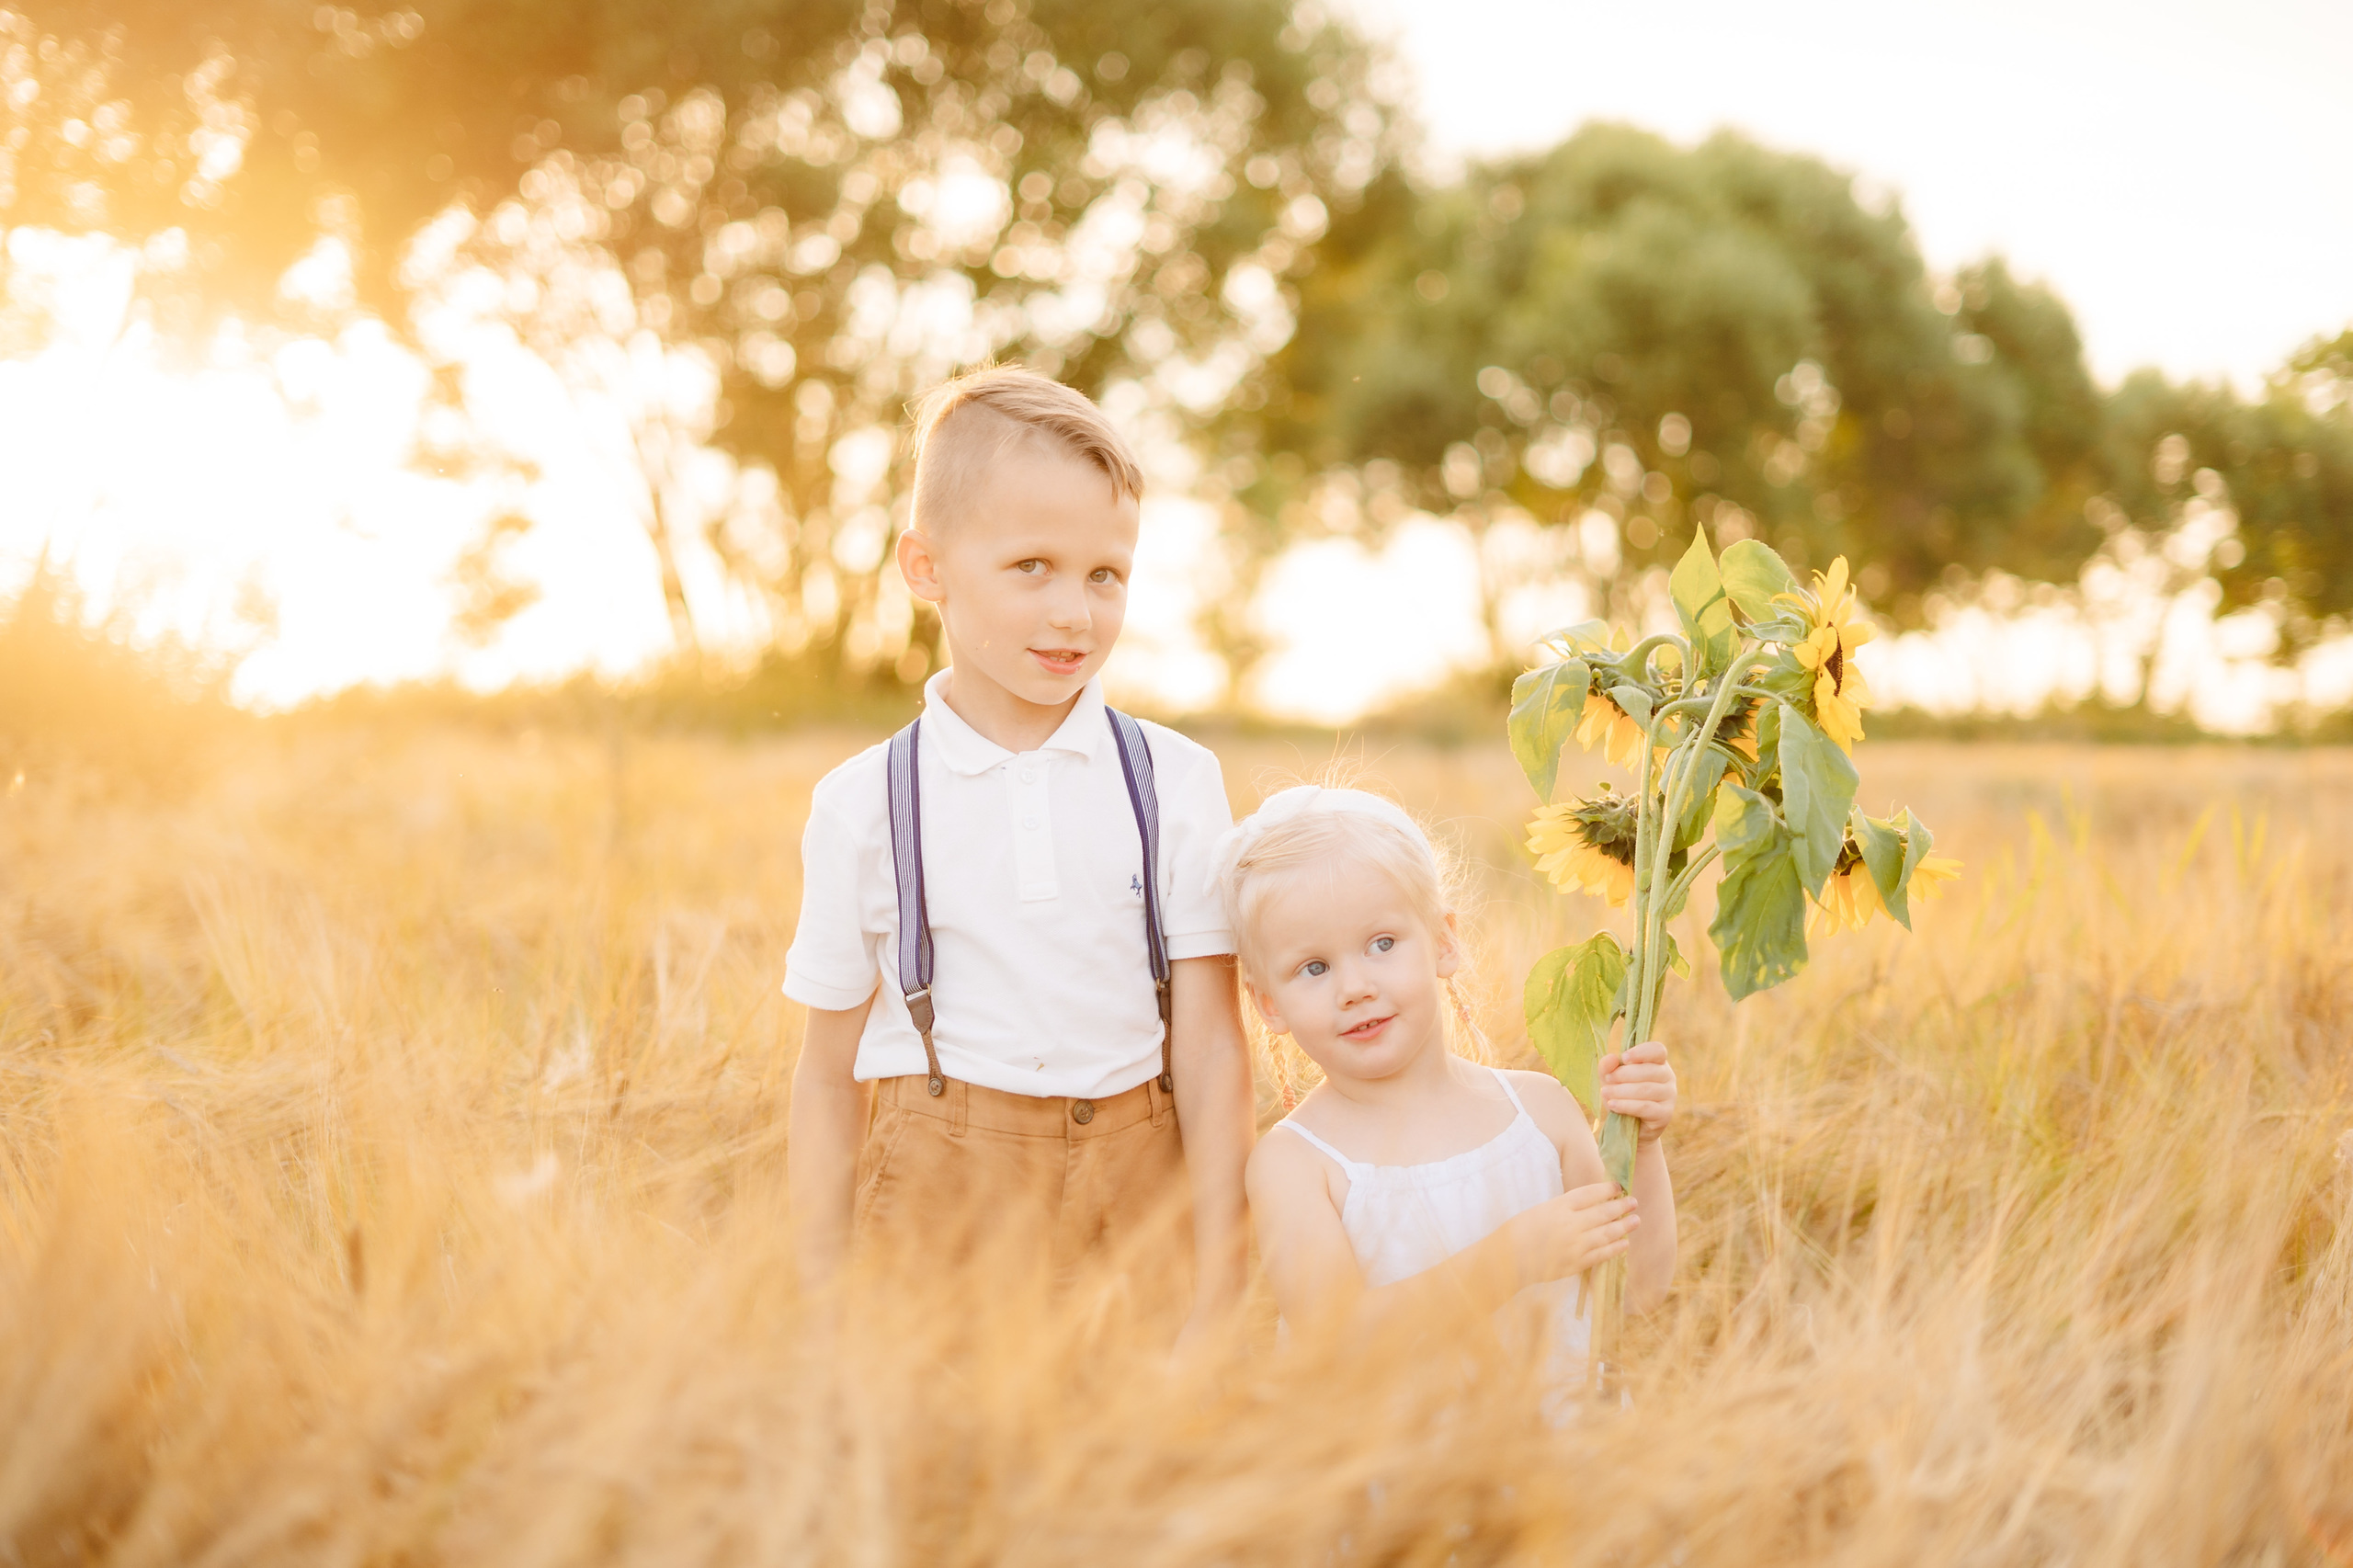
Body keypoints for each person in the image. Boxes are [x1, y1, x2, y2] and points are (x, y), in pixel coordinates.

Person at [783, 365, 1252, 1346]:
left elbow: (1208, 1044)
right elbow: (828, 1074)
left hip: (1137, 1196)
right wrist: (821, 1297)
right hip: (939, 1204)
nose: (1074, 612)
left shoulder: (1173, 777)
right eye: (1031, 566)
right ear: (926, 568)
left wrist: (1219, 1280)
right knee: (947, 1470)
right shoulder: (864, 801)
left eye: (1104, 573)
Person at [1233, 786, 1677, 1390]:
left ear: (1444, 942)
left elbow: (1638, 1291)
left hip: (1562, 1466)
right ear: (1269, 1004)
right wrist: (1510, 1259)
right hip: (1403, 1476)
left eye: (1382, 944)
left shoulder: (1541, 1113)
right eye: (1314, 968)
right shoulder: (1294, 1162)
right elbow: (1335, 1346)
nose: (1355, 986)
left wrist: (1644, 1146)